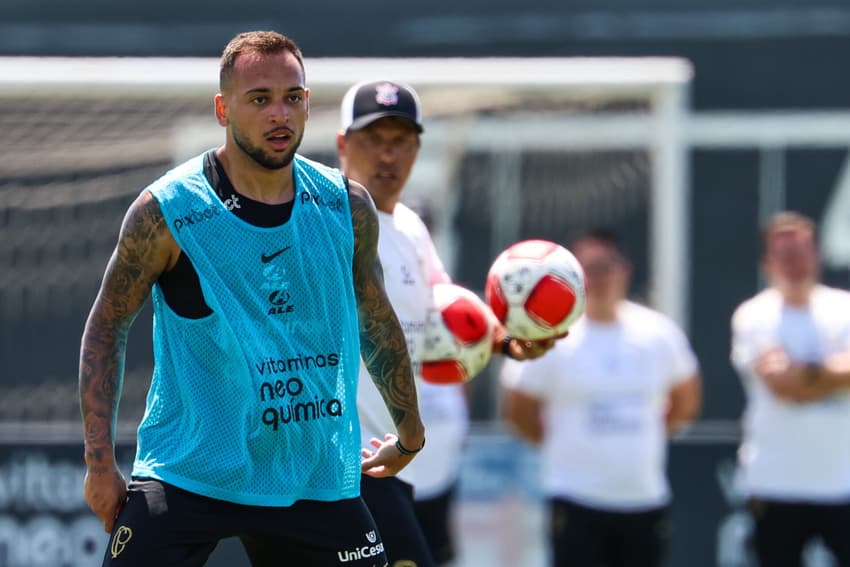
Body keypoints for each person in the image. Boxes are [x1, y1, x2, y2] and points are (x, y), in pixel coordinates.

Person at [78, 31, 426, 567]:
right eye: (259, 99)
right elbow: (106, 328)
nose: (279, 113)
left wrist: (408, 430)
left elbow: (375, 321)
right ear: (223, 109)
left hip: (310, 473)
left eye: (292, 97)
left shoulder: (345, 207)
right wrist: (100, 463)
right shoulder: (166, 211)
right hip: (191, 470)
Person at [336, 79, 558, 567]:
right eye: (374, 139)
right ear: (342, 144)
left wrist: (509, 343)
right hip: (338, 464)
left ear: (417, 148)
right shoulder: (327, 218)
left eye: (401, 141)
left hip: (385, 463)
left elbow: (448, 310)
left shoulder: (411, 228)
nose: (388, 155)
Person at [500, 228, 702, 567]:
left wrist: (643, 436)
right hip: (575, 499)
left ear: (626, 270)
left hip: (642, 498)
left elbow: (685, 400)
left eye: (607, 267)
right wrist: (564, 444)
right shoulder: (552, 337)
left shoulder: (658, 333)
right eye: (588, 270)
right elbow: (519, 410)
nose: (599, 279)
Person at [730, 211, 850, 566]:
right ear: (767, 263)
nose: (794, 264)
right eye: (784, 255)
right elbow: (782, 385)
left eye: (801, 253)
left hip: (843, 484)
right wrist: (833, 373)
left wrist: (805, 372)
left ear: (817, 256)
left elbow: (795, 380)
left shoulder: (845, 308)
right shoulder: (753, 315)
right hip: (774, 485)